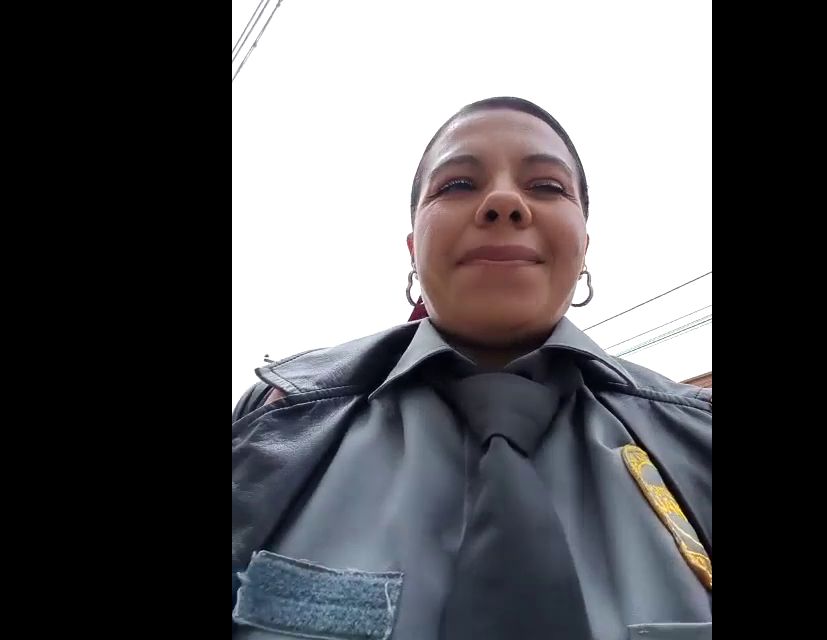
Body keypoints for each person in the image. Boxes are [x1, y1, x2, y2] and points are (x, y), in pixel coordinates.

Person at [232, 97, 712, 640]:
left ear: (584, 246)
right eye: (457, 184)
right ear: (413, 249)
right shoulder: (273, 421)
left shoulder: (699, 439)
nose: (504, 202)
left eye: (547, 186)